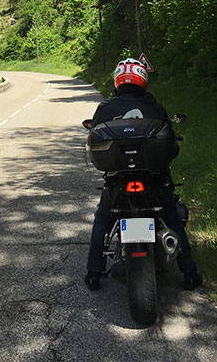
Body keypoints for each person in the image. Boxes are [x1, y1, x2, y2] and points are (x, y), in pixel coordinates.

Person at [84, 58, 203, 292]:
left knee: (102, 220)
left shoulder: (105, 108)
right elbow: (171, 148)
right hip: (154, 179)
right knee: (172, 218)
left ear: (118, 80)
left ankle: (93, 272)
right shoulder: (155, 107)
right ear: (143, 80)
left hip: (117, 181)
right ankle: (189, 273)